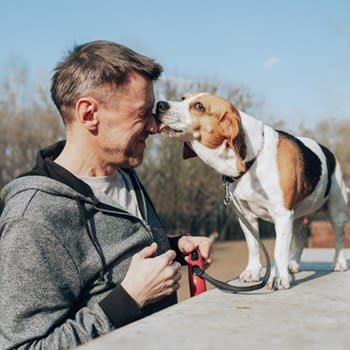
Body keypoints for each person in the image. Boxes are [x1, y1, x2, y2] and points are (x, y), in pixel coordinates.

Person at [0, 40, 213, 349]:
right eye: (142, 113)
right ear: (89, 114)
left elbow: (118, 260)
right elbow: (23, 346)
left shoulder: (124, 173)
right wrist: (128, 300)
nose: (155, 126)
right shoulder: (33, 219)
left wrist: (175, 247)